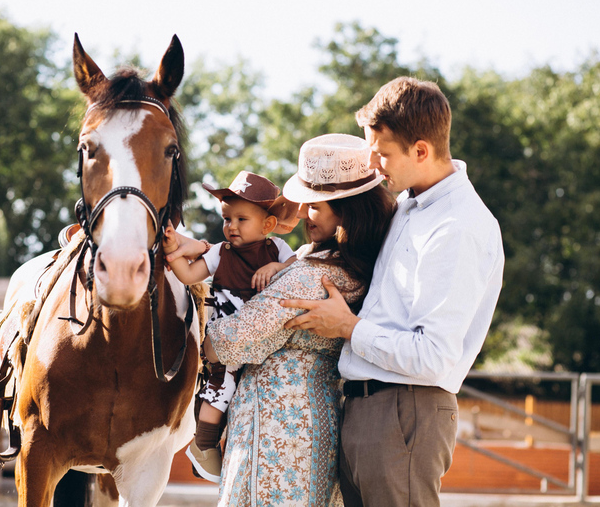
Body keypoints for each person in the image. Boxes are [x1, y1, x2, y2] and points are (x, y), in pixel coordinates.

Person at [281, 77, 505, 506]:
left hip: (406, 413)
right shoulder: (408, 205)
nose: (373, 164)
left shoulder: (457, 227)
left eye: (382, 153)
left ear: (421, 151)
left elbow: (433, 356)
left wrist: (348, 328)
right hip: (368, 409)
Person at [169, 133, 396, 506]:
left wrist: (210, 337)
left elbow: (234, 339)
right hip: (316, 414)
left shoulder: (314, 277)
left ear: (346, 211)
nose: (304, 214)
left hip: (278, 423)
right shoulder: (349, 267)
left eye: (316, 207)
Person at [163, 170, 300, 483]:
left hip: (264, 338)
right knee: (221, 389)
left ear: (267, 225)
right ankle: (204, 443)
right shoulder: (218, 253)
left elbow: (298, 267)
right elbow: (188, 274)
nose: (231, 226)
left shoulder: (276, 249)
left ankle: (239, 445)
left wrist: (277, 266)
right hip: (227, 339)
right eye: (227, 219)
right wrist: (173, 249)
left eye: (242, 219)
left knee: (250, 392)